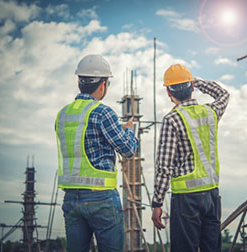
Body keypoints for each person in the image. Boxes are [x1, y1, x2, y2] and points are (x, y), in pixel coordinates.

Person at [55, 54, 138, 252]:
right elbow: (128, 151)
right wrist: (129, 130)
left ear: (79, 82)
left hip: (71, 199)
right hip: (101, 199)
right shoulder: (103, 112)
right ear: (103, 84)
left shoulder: (63, 114)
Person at [151, 64, 229, 252]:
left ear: (169, 93)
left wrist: (157, 203)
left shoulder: (172, 120)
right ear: (192, 88)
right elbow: (223, 94)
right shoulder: (210, 113)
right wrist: (198, 82)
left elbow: (164, 165)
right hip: (211, 196)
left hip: (186, 199)